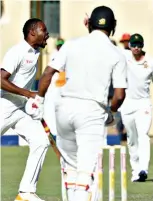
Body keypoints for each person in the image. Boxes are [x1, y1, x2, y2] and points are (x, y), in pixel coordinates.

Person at [33, 6, 127, 201]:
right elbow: (119, 95)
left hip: (64, 108)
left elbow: (47, 73)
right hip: (91, 111)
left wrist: (39, 101)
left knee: (71, 168)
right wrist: (111, 112)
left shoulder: (71, 45)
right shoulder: (117, 54)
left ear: (89, 24)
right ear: (113, 27)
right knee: (85, 172)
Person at [0, 18, 50, 201]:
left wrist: (31, 100)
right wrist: (28, 94)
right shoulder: (17, 51)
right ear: (32, 33)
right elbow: (1, 79)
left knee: (41, 141)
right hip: (4, 106)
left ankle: (26, 193)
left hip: (20, 110)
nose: (47, 35)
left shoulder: (36, 52)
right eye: (43, 31)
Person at [120, 33, 153, 182]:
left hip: (144, 103)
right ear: (129, 45)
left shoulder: (150, 61)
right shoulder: (124, 55)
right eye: (133, 45)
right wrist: (90, 25)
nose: (136, 48)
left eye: (139, 45)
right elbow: (104, 43)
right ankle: (135, 170)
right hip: (127, 104)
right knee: (132, 139)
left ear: (142, 46)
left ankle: (143, 169)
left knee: (143, 134)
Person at [44, 37, 66, 135]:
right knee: (50, 110)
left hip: (62, 88)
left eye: (61, 45)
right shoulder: (55, 54)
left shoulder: (64, 54)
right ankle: (52, 132)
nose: (60, 46)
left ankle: (58, 133)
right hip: (53, 88)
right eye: (59, 45)